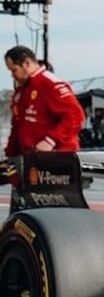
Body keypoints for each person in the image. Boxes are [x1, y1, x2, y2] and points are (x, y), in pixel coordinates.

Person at [4, 46, 84, 212]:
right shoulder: (21, 91)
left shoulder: (50, 83)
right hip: (29, 163)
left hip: (55, 164)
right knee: (23, 216)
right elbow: (18, 126)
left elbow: (75, 116)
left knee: (52, 216)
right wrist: (10, 157)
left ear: (26, 63)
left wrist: (50, 140)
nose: (13, 75)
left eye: (14, 70)